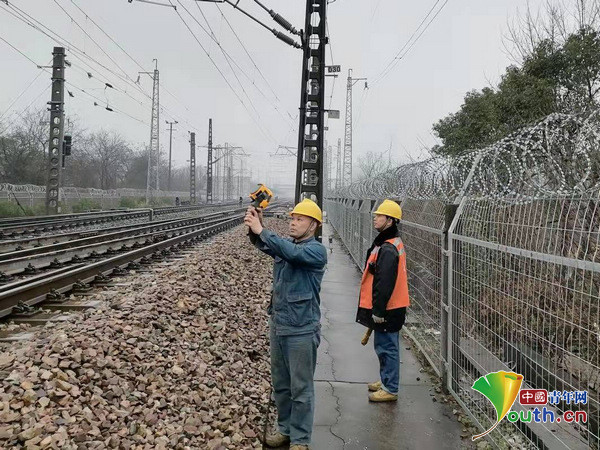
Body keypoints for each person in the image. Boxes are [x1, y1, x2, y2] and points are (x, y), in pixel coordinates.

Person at [244, 198, 327, 450]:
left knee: (300, 388)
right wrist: (255, 225)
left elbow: (290, 253)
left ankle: (300, 439)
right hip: (279, 324)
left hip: (302, 328)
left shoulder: (316, 250)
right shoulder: (288, 244)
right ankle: (285, 429)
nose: (292, 223)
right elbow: (268, 245)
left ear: (313, 225)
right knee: (281, 384)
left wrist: (262, 230)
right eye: (292, 218)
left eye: (299, 219)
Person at [356, 199, 409, 402]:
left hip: (388, 308)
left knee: (387, 348)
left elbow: (384, 283)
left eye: (379, 215)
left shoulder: (388, 248)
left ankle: (390, 388)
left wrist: (378, 311)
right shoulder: (387, 243)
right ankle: (386, 379)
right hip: (391, 306)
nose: (375, 217)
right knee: (384, 346)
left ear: (390, 221)